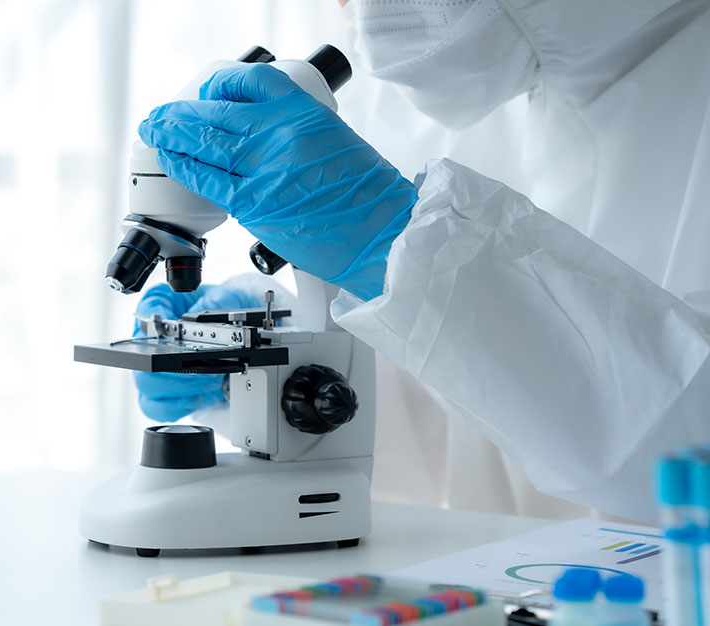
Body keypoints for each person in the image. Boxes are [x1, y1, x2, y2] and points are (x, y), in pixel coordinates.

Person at [131, 0, 710, 524]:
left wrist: (411, 256)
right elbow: (455, 389)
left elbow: (688, 443)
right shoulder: (454, 87)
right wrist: (275, 344)